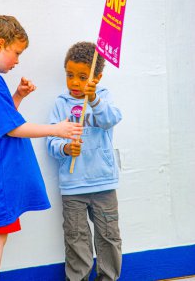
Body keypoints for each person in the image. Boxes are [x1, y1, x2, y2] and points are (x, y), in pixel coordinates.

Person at [0, 15, 83, 281]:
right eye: (16, 53)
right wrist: (56, 129)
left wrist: (17, 96)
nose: (17, 61)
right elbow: (12, 128)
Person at [47, 42, 122, 281]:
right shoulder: (61, 103)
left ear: (97, 77)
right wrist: (66, 148)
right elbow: (50, 142)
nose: (75, 83)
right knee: (76, 239)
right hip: (73, 186)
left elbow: (112, 119)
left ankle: (108, 278)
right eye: (70, 75)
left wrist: (94, 101)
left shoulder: (103, 97)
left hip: (103, 183)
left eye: (82, 76)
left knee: (109, 237)